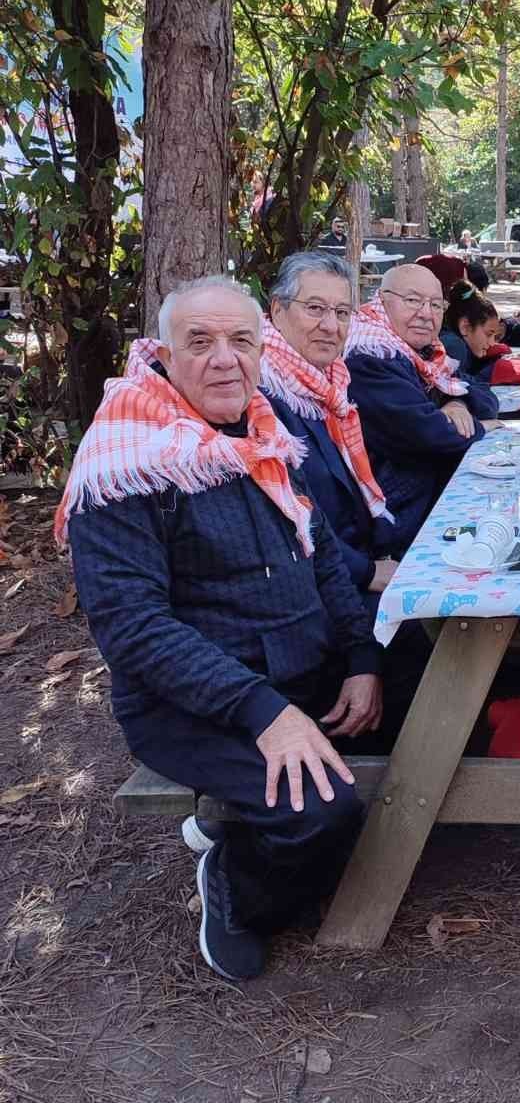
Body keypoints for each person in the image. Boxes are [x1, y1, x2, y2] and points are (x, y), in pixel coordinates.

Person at [61, 277, 382, 982]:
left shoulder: (260, 429)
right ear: (164, 355)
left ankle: (236, 813)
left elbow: (320, 554)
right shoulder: (125, 461)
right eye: (199, 343)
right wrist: (263, 712)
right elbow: (135, 631)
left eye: (240, 341)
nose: (224, 359)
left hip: (304, 667)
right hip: (191, 707)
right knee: (323, 817)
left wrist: (361, 655)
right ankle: (236, 885)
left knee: (430, 666)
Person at [259, 252, 396, 604]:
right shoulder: (261, 392)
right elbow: (286, 519)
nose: (331, 326)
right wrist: (367, 572)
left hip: (358, 558)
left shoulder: (331, 382)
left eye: (341, 313)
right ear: (277, 310)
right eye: (315, 309)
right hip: (314, 590)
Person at [345, 263, 498, 553]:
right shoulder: (370, 355)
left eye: (436, 305)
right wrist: (479, 427)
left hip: (427, 504)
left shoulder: (426, 352)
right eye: (413, 301)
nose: (426, 314)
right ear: (382, 300)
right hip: (393, 527)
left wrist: (455, 401)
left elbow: (486, 398)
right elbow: (430, 434)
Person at [441, 279, 506, 383]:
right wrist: (496, 369)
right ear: (465, 327)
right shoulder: (454, 346)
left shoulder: (459, 344)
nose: (492, 343)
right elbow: (458, 386)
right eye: (488, 334)